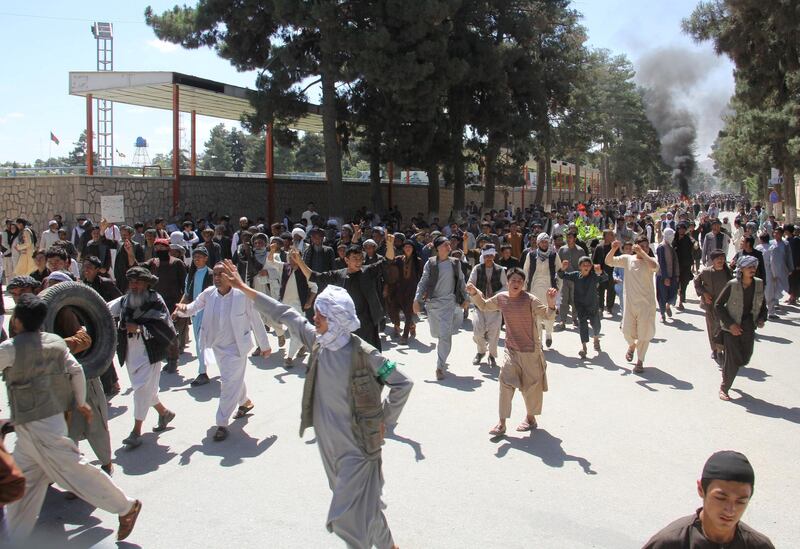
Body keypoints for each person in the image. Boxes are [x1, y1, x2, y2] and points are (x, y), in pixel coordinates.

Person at [220, 261, 411, 549]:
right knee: (358, 504)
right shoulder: (318, 342)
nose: (314, 317)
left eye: (320, 314)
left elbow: (402, 383)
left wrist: (386, 419)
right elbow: (285, 313)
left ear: (335, 318)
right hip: (328, 443)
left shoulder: (366, 355)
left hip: (357, 447)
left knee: (354, 507)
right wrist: (244, 288)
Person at [0, 294, 142, 541]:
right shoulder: (55, 343)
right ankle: (14, 540)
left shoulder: (10, 348)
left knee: (77, 471)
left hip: (43, 428)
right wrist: (80, 401)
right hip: (38, 425)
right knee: (25, 486)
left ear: (18, 322)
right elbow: (76, 370)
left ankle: (126, 506)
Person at [175, 263, 270, 441]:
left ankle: (222, 422)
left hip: (237, 348)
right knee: (232, 378)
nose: (217, 277)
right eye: (215, 274)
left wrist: (264, 345)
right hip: (217, 346)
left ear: (230, 276)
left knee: (227, 383)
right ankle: (245, 402)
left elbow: (256, 320)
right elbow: (193, 307)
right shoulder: (209, 293)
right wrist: (181, 310)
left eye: (221, 274)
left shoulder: (242, 295)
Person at [467, 268, 557, 435]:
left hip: (531, 351)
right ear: (507, 282)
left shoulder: (530, 300)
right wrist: (474, 293)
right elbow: (485, 305)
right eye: (513, 281)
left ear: (523, 284)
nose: (516, 284)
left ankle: (530, 419)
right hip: (511, 350)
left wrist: (551, 303)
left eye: (519, 282)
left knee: (531, 388)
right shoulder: (501, 298)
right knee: (505, 383)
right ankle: (502, 423)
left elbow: (547, 315)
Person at [643, 450, 774, 548]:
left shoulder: (758, 546)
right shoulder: (670, 543)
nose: (730, 510)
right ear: (701, 489)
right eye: (721, 498)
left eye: (740, 501)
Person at [108, 267, 177, 448]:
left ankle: (136, 432)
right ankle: (164, 413)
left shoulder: (155, 300)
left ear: (147, 283)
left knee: (140, 391)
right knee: (146, 390)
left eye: (138, 282)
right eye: (131, 282)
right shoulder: (124, 300)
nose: (134, 285)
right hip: (130, 351)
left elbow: (165, 326)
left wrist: (139, 328)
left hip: (150, 351)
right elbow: (106, 309)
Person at [296, 237, 395, 351]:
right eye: (354, 258)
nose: (358, 261)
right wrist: (299, 261)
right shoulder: (339, 275)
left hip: (367, 322)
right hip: (345, 322)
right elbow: (314, 276)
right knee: (349, 353)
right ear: (347, 260)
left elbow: (387, 261)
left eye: (360, 258)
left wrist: (390, 246)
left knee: (371, 352)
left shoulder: (368, 271)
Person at [414, 236, 469, 380]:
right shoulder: (431, 263)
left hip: (449, 303)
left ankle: (440, 365)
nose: (448, 247)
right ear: (438, 248)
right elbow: (423, 281)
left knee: (445, 335)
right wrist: (417, 299)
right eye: (445, 245)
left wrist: (466, 298)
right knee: (436, 333)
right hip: (433, 304)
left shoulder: (455, 263)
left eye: (449, 245)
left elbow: (462, 281)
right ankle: (442, 355)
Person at [714, 255, 767, 401]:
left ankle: (723, 359)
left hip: (749, 325)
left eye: (754, 267)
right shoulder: (732, 284)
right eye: (749, 267)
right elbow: (718, 306)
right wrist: (731, 325)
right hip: (732, 327)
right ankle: (724, 388)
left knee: (744, 358)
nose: (752, 270)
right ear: (742, 269)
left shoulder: (759, 284)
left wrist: (762, 318)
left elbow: (763, 304)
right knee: (733, 359)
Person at [605, 236, 659, 373]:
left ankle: (640, 361)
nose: (644, 248)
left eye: (646, 246)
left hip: (646, 305)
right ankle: (631, 346)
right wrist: (613, 249)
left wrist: (643, 253)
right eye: (641, 246)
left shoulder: (650, 261)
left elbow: (655, 267)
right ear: (635, 247)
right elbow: (609, 261)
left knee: (644, 334)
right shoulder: (627, 259)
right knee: (627, 332)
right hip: (630, 304)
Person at [143, 238, 187, 373]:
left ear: (168, 248)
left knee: (172, 333)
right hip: (157, 303)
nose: (159, 250)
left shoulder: (177, 263)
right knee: (160, 333)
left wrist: (182, 303)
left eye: (162, 248)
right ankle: (168, 357)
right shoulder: (153, 263)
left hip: (173, 302)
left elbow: (184, 285)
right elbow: (137, 267)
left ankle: (173, 360)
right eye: (157, 248)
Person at [82, 256, 124, 396]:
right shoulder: (81, 285)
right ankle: (113, 382)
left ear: (97, 270)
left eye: (90, 267)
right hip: (89, 324)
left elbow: (120, 300)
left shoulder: (106, 283)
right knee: (99, 354)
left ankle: (109, 386)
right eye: (85, 266)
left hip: (106, 324)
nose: (86, 270)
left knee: (104, 354)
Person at [558, 257, 608, 358]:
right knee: (583, 325)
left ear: (591, 267)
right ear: (580, 266)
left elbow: (605, 278)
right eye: (584, 265)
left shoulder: (594, 276)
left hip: (592, 304)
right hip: (580, 305)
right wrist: (562, 268)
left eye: (588, 265)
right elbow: (562, 275)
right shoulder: (576, 275)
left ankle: (596, 339)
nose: (586, 267)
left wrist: (601, 272)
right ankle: (584, 348)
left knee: (596, 325)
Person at [179, 247, 214, 386]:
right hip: (196, 314)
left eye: (200, 256)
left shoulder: (211, 274)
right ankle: (202, 372)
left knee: (215, 342)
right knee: (200, 343)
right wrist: (180, 308)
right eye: (195, 257)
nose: (197, 259)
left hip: (210, 313)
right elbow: (187, 293)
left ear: (206, 258)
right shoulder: (191, 274)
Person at [468, 246, 507, 367]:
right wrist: (475, 291)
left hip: (495, 306)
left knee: (494, 333)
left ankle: (492, 355)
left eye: (490, 256)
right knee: (477, 332)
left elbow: (505, 287)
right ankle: (481, 352)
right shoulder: (477, 269)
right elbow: (470, 283)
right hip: (479, 305)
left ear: (494, 256)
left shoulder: (500, 270)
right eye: (486, 256)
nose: (489, 258)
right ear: (483, 257)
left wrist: (495, 295)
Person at [694, 250, 733, 362]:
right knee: (712, 328)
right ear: (713, 260)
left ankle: (722, 349)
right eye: (718, 259)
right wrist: (705, 294)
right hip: (710, 305)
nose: (721, 261)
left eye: (722, 258)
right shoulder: (706, 272)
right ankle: (715, 350)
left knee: (723, 328)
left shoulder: (728, 272)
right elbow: (697, 284)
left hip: (725, 306)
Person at [523, 233, 560, 348]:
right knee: (536, 316)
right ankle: (538, 340)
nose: (544, 243)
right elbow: (525, 271)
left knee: (550, 313)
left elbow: (559, 272)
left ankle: (548, 334)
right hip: (534, 289)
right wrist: (524, 288)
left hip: (549, 290)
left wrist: (558, 286)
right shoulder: (531, 255)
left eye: (546, 241)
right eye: (542, 241)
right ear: (538, 243)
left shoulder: (554, 255)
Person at [386, 238, 423, 345]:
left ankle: (405, 335)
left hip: (412, 290)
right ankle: (408, 324)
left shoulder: (418, 261)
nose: (407, 248)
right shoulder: (398, 259)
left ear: (413, 249)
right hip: (399, 289)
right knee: (393, 308)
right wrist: (389, 245)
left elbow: (423, 277)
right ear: (403, 249)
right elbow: (389, 259)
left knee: (408, 313)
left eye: (410, 247)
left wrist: (423, 291)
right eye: (405, 247)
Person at [556, 229, 584, 330]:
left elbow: (583, 264)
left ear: (575, 239)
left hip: (576, 278)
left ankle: (574, 318)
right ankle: (563, 320)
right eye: (567, 237)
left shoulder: (580, 250)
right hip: (564, 278)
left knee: (574, 300)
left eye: (570, 238)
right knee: (564, 300)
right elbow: (558, 264)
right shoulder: (562, 250)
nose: (568, 239)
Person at [765, 227, 792, 319]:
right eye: (775, 233)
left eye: (778, 233)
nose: (776, 235)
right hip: (771, 269)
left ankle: (776, 300)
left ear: (782, 234)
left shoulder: (786, 244)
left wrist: (790, 267)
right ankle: (773, 302)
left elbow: (789, 256)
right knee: (772, 286)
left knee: (782, 285)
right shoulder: (770, 243)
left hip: (782, 268)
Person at [656, 228, 679, 323]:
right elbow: (662, 263)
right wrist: (665, 277)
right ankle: (662, 314)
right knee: (662, 296)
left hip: (672, 275)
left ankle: (668, 306)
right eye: (671, 235)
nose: (673, 237)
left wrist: (676, 275)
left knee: (673, 294)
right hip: (662, 276)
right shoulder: (661, 247)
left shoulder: (670, 246)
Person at [113, 225, 145, 293]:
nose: (123, 237)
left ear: (131, 235)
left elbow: (140, 263)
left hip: (131, 278)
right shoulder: (119, 244)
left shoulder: (137, 246)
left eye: (125, 235)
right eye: (122, 235)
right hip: (120, 277)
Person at [592, 229, 617, 314]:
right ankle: (600, 308)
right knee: (600, 290)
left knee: (611, 290)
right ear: (605, 236)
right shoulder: (599, 247)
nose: (613, 236)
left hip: (611, 272)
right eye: (611, 235)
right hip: (601, 272)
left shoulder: (614, 247)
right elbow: (594, 260)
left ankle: (609, 307)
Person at [673, 222, 695, 310]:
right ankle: (677, 296)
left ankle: (681, 301)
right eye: (680, 229)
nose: (681, 230)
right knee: (676, 283)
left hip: (686, 265)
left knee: (684, 282)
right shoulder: (674, 238)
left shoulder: (688, 238)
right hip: (676, 265)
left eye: (683, 229)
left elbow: (693, 243)